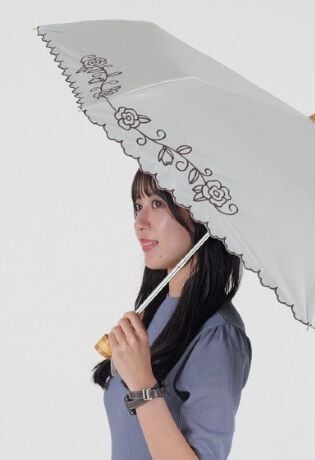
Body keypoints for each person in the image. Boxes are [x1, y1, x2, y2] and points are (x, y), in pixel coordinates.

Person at [92, 168, 252, 459]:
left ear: (202, 215)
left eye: (158, 203)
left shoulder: (217, 335)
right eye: (138, 205)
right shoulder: (155, 312)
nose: (140, 223)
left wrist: (142, 383)